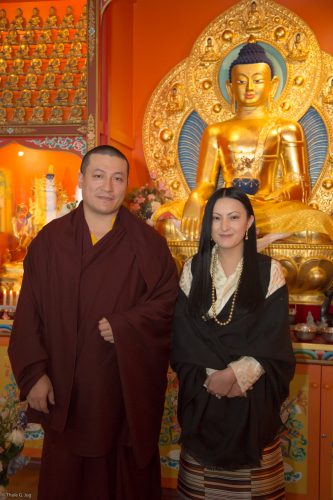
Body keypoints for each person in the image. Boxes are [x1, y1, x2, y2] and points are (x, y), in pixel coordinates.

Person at [8, 145, 178, 500]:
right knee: (69, 477)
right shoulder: (50, 242)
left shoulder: (149, 244)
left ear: (127, 185)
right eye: (98, 176)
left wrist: (125, 325)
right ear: (83, 180)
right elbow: (29, 313)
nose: (108, 186)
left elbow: (167, 304)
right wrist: (34, 373)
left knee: (123, 473)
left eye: (118, 178)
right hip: (65, 387)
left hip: (122, 388)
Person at [171, 187, 295, 498]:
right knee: (202, 490)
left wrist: (238, 375)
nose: (224, 226)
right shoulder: (193, 268)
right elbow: (184, 334)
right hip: (204, 391)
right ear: (207, 224)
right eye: (216, 218)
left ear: (250, 222)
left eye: (234, 217)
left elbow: (273, 335)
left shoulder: (270, 271)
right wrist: (213, 376)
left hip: (251, 395)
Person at [154, 41, 333, 243]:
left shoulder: (286, 128)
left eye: (257, 81)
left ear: (272, 86)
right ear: (230, 88)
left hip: (267, 208)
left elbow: (299, 185)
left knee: (315, 223)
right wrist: (196, 198)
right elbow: (206, 184)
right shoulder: (216, 131)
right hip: (226, 208)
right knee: (168, 222)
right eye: (241, 82)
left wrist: (272, 197)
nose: (249, 87)